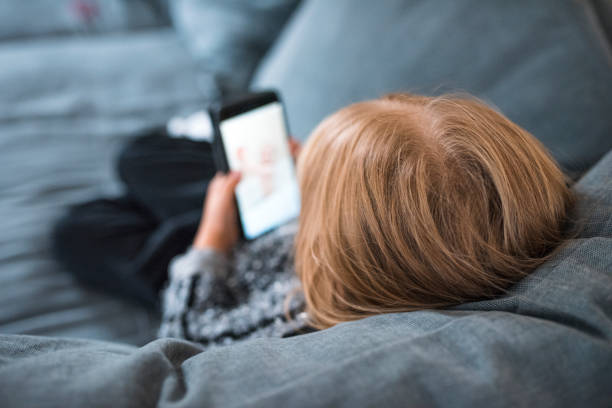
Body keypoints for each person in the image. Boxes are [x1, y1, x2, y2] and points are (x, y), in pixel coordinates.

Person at [53, 93, 574, 349]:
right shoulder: (440, 245)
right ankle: (208, 186)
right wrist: (318, 183)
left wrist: (213, 237)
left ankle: (186, 210)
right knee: (139, 157)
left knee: (81, 230)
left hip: (228, 265)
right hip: (288, 221)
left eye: (316, 177)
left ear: (334, 242)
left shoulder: (298, 319)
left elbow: (188, 335)